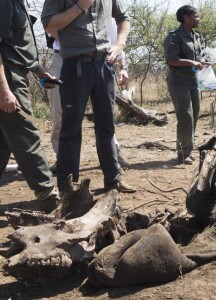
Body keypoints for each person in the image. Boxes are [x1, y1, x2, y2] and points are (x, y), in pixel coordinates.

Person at [41, 0, 136, 193]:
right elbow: (49, 24)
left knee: (107, 125)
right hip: (74, 65)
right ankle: (69, 187)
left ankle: (114, 179)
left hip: (104, 65)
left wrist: (119, 45)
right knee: (70, 127)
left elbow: (124, 17)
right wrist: (80, 6)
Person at [0, 0, 60, 213]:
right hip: (8, 78)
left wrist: (40, 72)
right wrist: (4, 91)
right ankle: (48, 196)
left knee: (4, 142)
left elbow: (19, 48)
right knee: (27, 135)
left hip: (16, 74)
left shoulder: (17, 3)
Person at [48, 19, 130, 174]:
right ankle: (63, 158)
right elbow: (51, 28)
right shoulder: (63, 3)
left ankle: (113, 157)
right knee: (61, 113)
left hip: (100, 61)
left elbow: (114, 38)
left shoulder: (106, 6)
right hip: (66, 59)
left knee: (105, 115)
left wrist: (123, 67)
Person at [163, 5, 211, 165]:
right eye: (195, 16)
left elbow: (202, 55)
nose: (198, 19)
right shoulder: (175, 36)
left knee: (194, 114)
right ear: (185, 18)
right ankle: (185, 153)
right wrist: (191, 62)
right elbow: (171, 59)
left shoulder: (197, 36)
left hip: (194, 80)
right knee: (185, 116)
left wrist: (203, 62)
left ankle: (184, 149)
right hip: (178, 80)